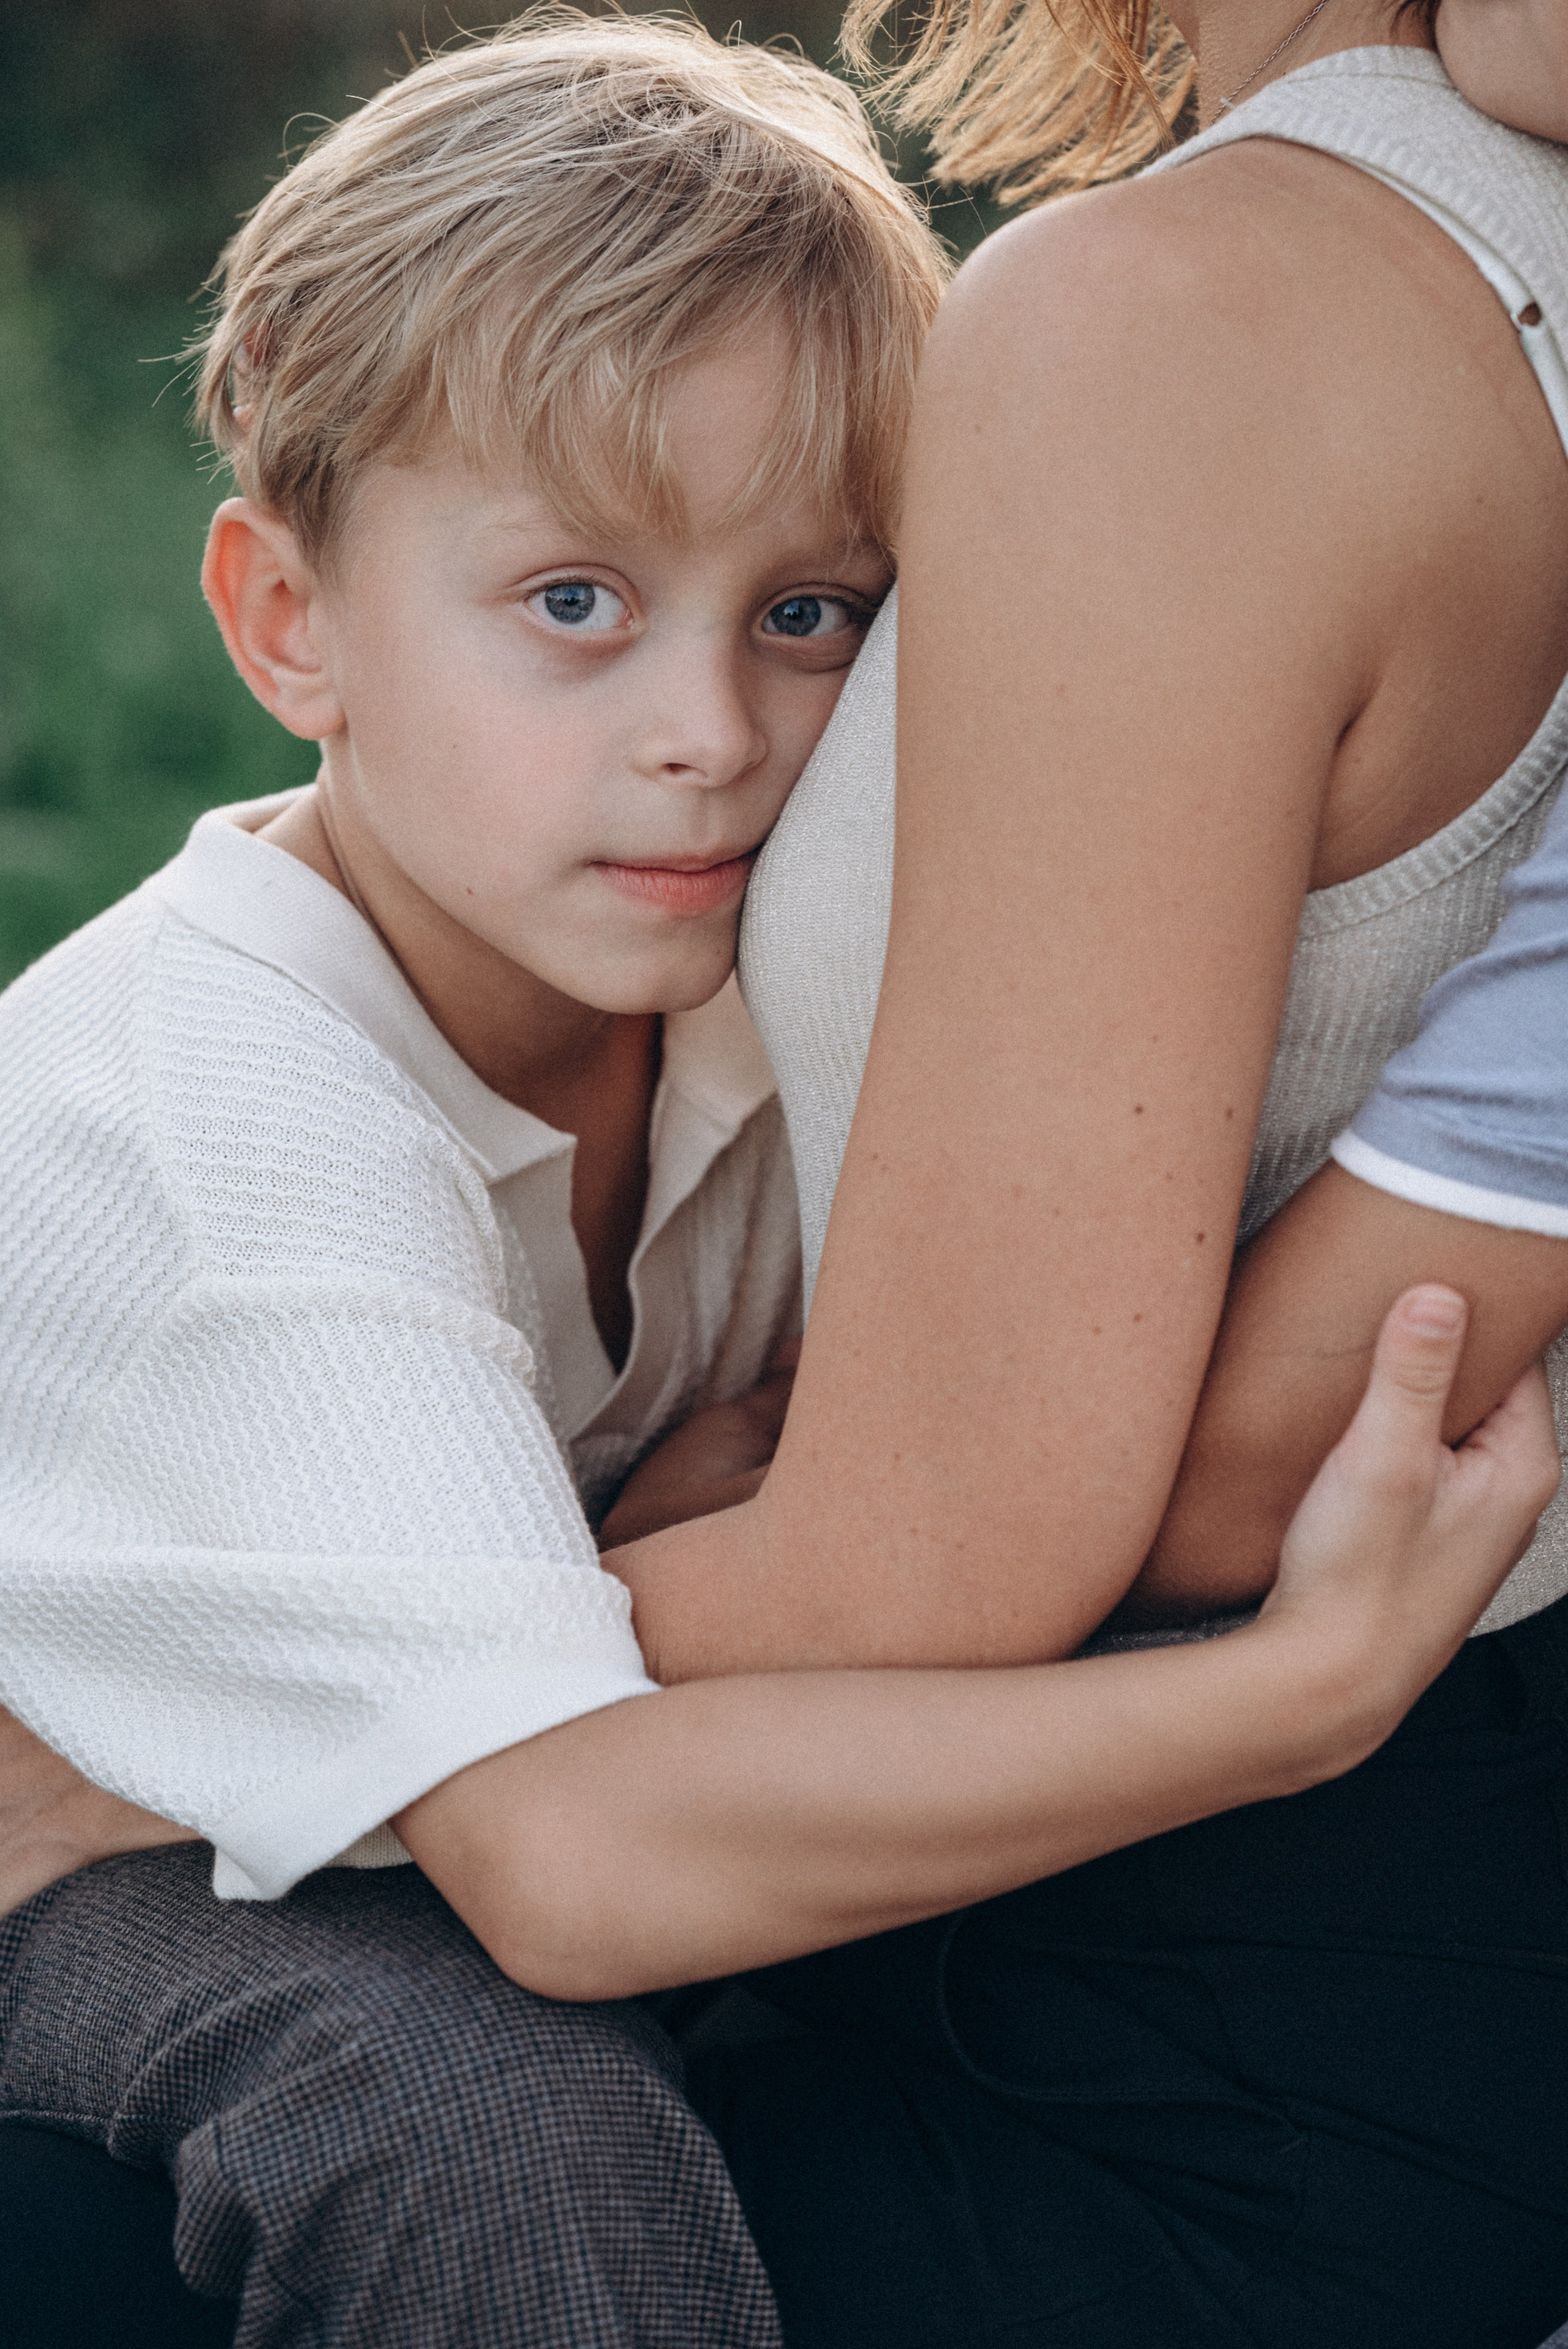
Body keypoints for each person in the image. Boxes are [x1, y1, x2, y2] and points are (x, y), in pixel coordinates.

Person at [3, 5, 1568, 2349]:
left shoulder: (706, 1008)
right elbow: (569, 1861)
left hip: (480, 1816)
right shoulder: (219, 1124)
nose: (711, 735)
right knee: (489, 2136)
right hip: (65, 1839)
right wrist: (1291, 1698)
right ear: (284, 619)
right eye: (574, 606)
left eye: (813, 618)